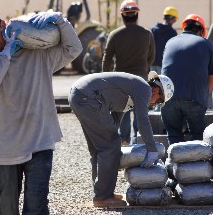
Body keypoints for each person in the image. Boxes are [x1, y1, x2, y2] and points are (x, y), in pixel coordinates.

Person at [0, 5, 82, 214]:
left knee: (36, 208)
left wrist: (60, 20)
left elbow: (74, 49)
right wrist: (7, 52)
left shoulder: (38, 55)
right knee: (7, 208)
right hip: (6, 150)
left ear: (1, 24)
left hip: (40, 142)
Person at [68, 71, 174, 208]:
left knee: (100, 147)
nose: (155, 105)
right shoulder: (144, 89)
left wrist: (111, 136)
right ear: (156, 90)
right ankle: (103, 196)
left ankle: (102, 192)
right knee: (110, 146)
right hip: (88, 96)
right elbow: (142, 121)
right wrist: (152, 149)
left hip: (80, 94)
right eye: (159, 101)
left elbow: (115, 120)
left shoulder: (131, 89)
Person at [102, 0, 155, 145]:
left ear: (122, 16)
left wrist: (104, 80)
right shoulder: (147, 34)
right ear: (136, 15)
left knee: (121, 114)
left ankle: (124, 143)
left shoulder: (115, 35)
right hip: (141, 80)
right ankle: (139, 143)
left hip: (120, 82)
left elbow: (106, 60)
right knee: (140, 114)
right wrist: (144, 69)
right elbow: (151, 57)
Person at [161, 14, 213, 145]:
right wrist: (204, 94)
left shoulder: (171, 41)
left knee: (174, 135)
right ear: (201, 31)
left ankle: (176, 163)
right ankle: (196, 164)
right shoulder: (206, 44)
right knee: (197, 136)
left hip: (168, 98)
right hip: (195, 97)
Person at [150, 6, 178, 74]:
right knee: (163, 84)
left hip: (152, 64)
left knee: (153, 84)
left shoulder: (153, 29)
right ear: (174, 19)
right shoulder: (172, 33)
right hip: (165, 65)